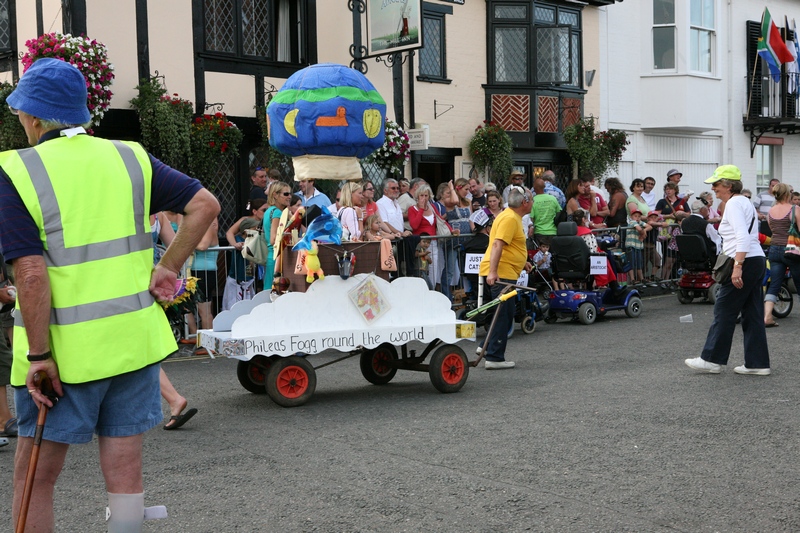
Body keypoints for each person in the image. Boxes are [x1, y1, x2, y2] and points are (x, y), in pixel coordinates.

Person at [0, 58, 220, 530]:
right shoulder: (130, 156)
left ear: (35, 118)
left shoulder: (15, 169)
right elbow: (205, 205)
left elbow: (32, 274)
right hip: (132, 343)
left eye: (20, 115)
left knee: (34, 477)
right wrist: (168, 266)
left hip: (63, 353)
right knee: (125, 471)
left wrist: (38, 355)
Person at [685, 165, 770, 376]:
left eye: (716, 184)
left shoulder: (732, 204)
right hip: (755, 259)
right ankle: (757, 363)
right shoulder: (744, 202)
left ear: (728, 185)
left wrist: (738, 267)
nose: (713, 188)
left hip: (743, 260)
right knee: (752, 313)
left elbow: (741, 236)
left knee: (724, 309)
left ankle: (712, 359)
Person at [479, 187, 533, 369]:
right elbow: (497, 244)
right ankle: (494, 357)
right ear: (524, 202)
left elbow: (508, 246)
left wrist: (522, 261)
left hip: (505, 270)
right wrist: (493, 271)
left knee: (500, 313)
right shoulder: (510, 218)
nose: (533, 203)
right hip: (502, 273)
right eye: (531, 200)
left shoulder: (508, 215)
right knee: (504, 314)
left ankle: (485, 347)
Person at [763, 183, 800, 326]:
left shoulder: (770, 211)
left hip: (774, 250)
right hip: (792, 250)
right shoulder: (795, 209)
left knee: (775, 284)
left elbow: (772, 230)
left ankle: (767, 317)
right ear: (787, 194)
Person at [264, 181, 292, 283]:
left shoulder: (269, 211)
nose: (289, 197)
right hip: (277, 257)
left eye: (290, 194)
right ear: (275, 195)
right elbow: (273, 239)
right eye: (286, 194)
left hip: (271, 256)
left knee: (269, 291)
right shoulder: (277, 212)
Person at [529, 178, 560, 246]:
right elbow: (559, 213)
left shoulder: (533, 201)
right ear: (544, 187)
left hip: (539, 233)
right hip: (553, 232)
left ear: (534, 188)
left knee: (541, 255)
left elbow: (531, 219)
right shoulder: (553, 199)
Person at [624, 209, 651, 284]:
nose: (637, 218)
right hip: (631, 245)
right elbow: (639, 229)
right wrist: (643, 234)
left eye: (639, 216)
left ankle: (641, 278)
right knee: (631, 262)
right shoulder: (633, 222)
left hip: (638, 246)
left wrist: (644, 231)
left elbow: (649, 226)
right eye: (635, 216)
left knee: (639, 263)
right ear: (631, 217)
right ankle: (632, 279)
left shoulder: (640, 222)